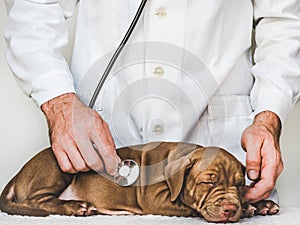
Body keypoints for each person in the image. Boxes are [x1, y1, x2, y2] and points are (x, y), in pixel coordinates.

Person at [4, 0, 300, 205]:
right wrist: (58, 100)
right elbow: (34, 7)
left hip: (222, 170)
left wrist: (268, 117)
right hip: (103, 160)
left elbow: (284, 20)